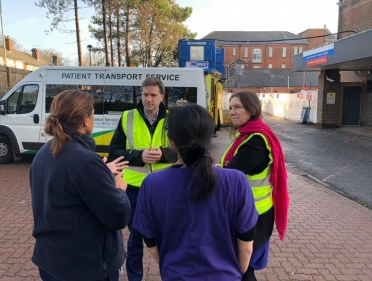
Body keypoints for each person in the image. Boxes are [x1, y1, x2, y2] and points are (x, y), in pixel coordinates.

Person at [133, 103, 258, 281]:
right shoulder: (236, 181)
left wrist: (170, 268)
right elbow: (246, 242)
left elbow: (150, 241)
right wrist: (236, 272)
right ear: (208, 138)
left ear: (172, 141)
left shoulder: (152, 183)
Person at [30, 90, 131, 281]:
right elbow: (118, 217)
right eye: (92, 113)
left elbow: (67, 188)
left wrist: (102, 173)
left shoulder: (44, 152)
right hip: (85, 268)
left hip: (51, 260)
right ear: (86, 120)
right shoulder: (84, 162)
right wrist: (119, 187)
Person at [109, 77, 174, 281]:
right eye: (145, 94)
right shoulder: (128, 117)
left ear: (162, 96)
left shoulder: (173, 119)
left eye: (153, 95)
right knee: (135, 240)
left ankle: (171, 275)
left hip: (165, 189)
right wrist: (139, 155)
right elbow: (114, 152)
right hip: (134, 189)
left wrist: (163, 155)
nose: (148, 99)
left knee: (167, 239)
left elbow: (184, 149)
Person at [220, 91, 289, 281]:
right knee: (241, 267)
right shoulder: (247, 135)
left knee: (242, 268)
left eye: (238, 107)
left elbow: (230, 175)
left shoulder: (256, 141)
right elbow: (229, 168)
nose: (232, 112)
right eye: (231, 107)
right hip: (249, 212)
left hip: (253, 216)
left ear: (251, 110)